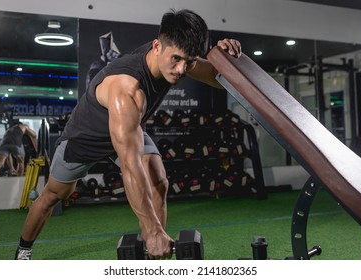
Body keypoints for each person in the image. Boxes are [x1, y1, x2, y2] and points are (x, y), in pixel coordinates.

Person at [14, 8, 241, 260]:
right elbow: (131, 167)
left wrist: (224, 58)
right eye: (176, 59)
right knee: (54, 196)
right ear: (157, 46)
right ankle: (23, 250)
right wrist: (150, 228)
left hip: (128, 127)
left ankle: (154, 253)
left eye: (188, 62)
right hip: (85, 138)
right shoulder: (128, 89)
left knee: (158, 181)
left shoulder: (176, 57)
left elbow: (218, 77)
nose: (180, 69)